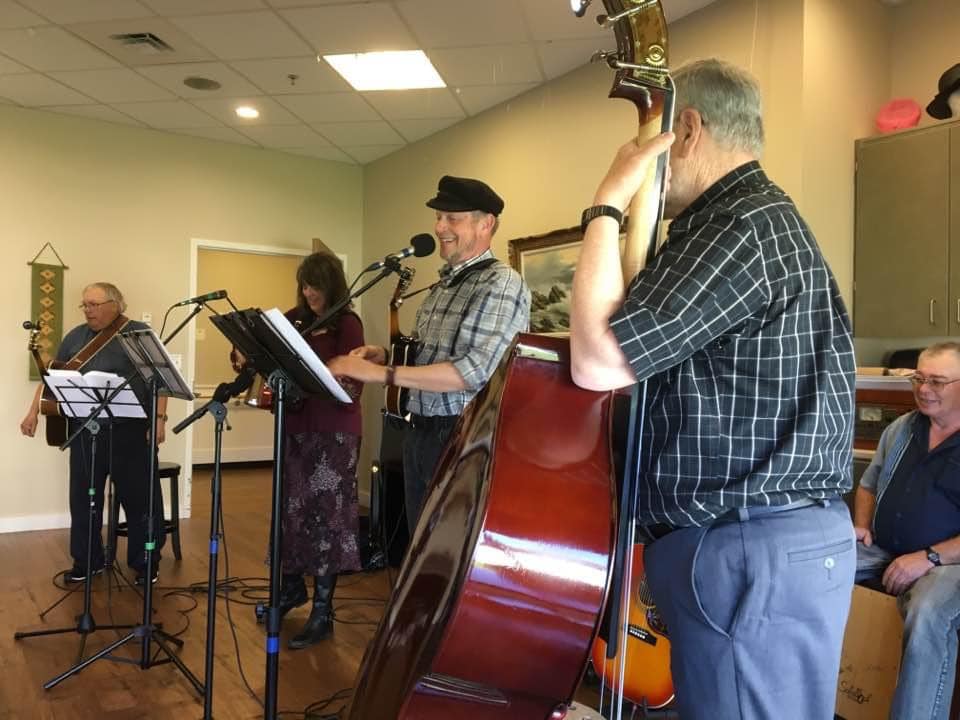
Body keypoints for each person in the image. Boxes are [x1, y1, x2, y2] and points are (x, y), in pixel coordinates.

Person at [569, 59, 856, 719]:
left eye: (649, 141)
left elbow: (596, 362)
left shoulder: (739, 226)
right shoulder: (746, 222)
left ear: (689, 130)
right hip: (751, 545)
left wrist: (607, 201)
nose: (643, 161)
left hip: (749, 548)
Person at [327, 175, 531, 535]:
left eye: (452, 218)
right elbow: (429, 356)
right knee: (420, 540)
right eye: (438, 217)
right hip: (419, 431)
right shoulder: (444, 284)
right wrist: (383, 355)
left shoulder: (501, 283)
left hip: (461, 435)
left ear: (486, 224)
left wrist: (383, 375)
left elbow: (473, 371)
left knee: (448, 544)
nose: (439, 227)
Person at [20, 282, 167, 586]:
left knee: (140, 500)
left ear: (115, 304)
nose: (87, 310)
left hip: (131, 432)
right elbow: (53, 377)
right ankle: (87, 562)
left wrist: (160, 420)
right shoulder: (75, 336)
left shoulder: (137, 334)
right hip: (86, 432)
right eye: (84, 304)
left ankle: (146, 562)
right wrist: (33, 411)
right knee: (83, 500)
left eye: (94, 304)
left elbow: (161, 381)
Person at [854, 342, 960, 720]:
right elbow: (868, 485)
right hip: (883, 547)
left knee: (928, 610)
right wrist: (861, 525)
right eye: (918, 378)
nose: (923, 389)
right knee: (819, 568)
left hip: (950, 561)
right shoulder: (901, 429)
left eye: (937, 381)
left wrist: (928, 557)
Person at [266, 252, 365, 649]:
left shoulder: (348, 323)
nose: (309, 293)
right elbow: (267, 350)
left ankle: (323, 612)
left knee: (327, 519)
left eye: (316, 286)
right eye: (304, 286)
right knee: (290, 512)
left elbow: (354, 381)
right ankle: (291, 590)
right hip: (295, 427)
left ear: (332, 285)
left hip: (333, 432)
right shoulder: (295, 319)